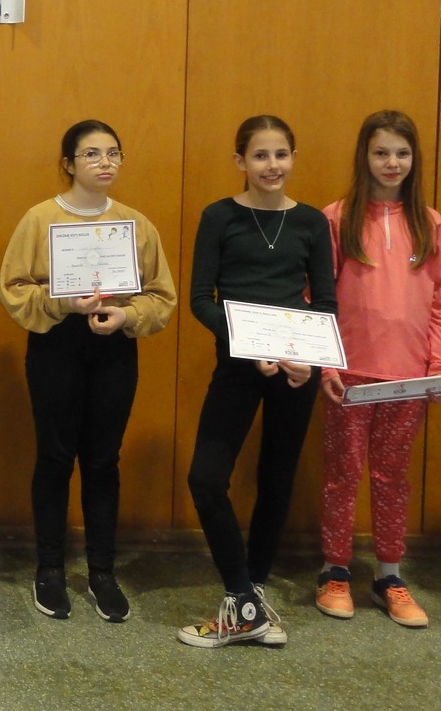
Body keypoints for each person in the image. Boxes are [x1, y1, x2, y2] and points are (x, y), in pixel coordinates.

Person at [0, 120, 176, 623]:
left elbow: (161, 296)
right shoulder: (39, 219)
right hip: (56, 344)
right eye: (92, 154)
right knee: (55, 458)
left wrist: (127, 315)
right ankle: (50, 569)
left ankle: (102, 572)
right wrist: (62, 302)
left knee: (103, 460)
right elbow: (13, 288)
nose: (105, 162)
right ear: (68, 164)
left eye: (113, 153)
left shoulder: (135, 224)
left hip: (114, 347)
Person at [179, 115, 336, 648]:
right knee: (206, 478)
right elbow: (201, 299)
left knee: (276, 480)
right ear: (240, 160)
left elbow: (326, 303)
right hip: (238, 365)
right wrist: (249, 344)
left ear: (293, 157)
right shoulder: (218, 216)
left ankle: (252, 601)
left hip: (296, 371)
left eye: (281, 154)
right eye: (261, 155)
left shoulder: (311, 222)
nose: (272, 165)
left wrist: (310, 361)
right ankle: (242, 598)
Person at [315, 110, 441, 628]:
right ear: (364, 156)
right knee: (342, 475)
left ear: (414, 159)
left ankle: (389, 575)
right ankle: (334, 571)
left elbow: (439, 302)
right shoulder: (336, 218)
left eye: (402, 153)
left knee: (393, 478)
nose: (392, 163)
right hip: (349, 376)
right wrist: (327, 365)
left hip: (408, 378)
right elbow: (318, 299)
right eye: (381, 152)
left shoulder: (430, 223)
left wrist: (435, 364)